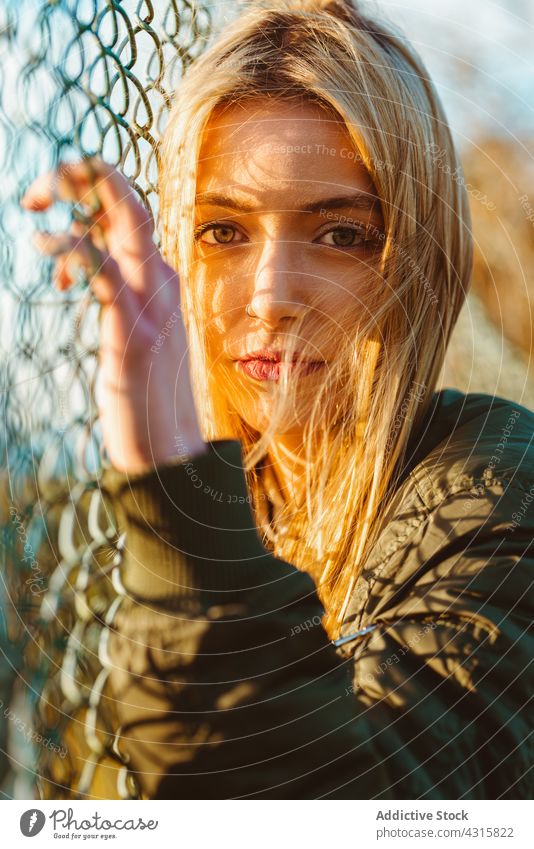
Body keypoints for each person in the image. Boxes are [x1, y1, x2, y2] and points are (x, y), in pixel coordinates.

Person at [23, 0, 533, 799]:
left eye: (340, 235)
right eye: (223, 231)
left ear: (414, 260)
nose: (269, 298)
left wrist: (179, 515)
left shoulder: (495, 479)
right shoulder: (224, 502)